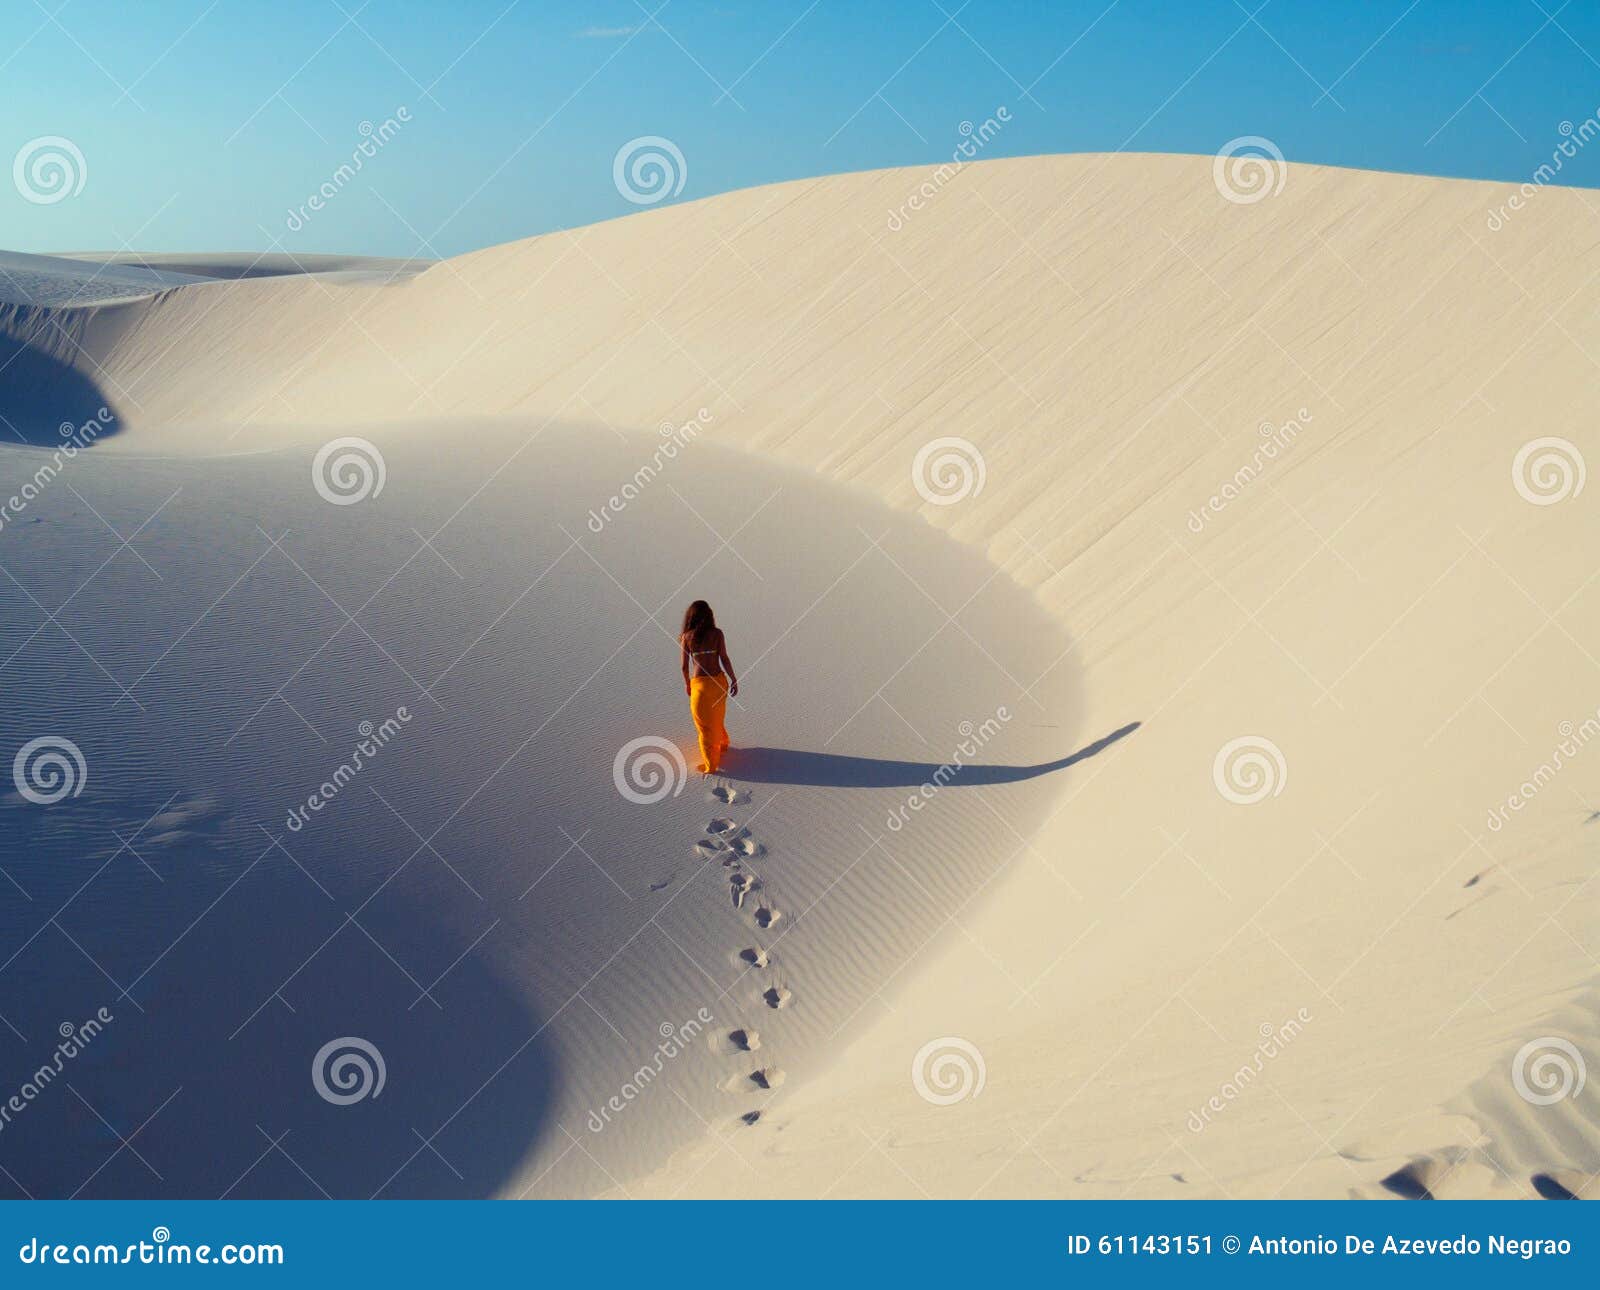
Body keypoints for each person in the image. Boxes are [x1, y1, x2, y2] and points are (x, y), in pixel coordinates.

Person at [679, 600, 738, 774]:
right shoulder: (717, 634)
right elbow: (724, 658)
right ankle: (722, 744)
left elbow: (683, 666)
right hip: (719, 684)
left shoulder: (686, 637)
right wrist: (733, 678)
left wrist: (687, 684)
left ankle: (710, 765)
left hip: (701, 687)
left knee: (704, 726)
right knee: (717, 717)